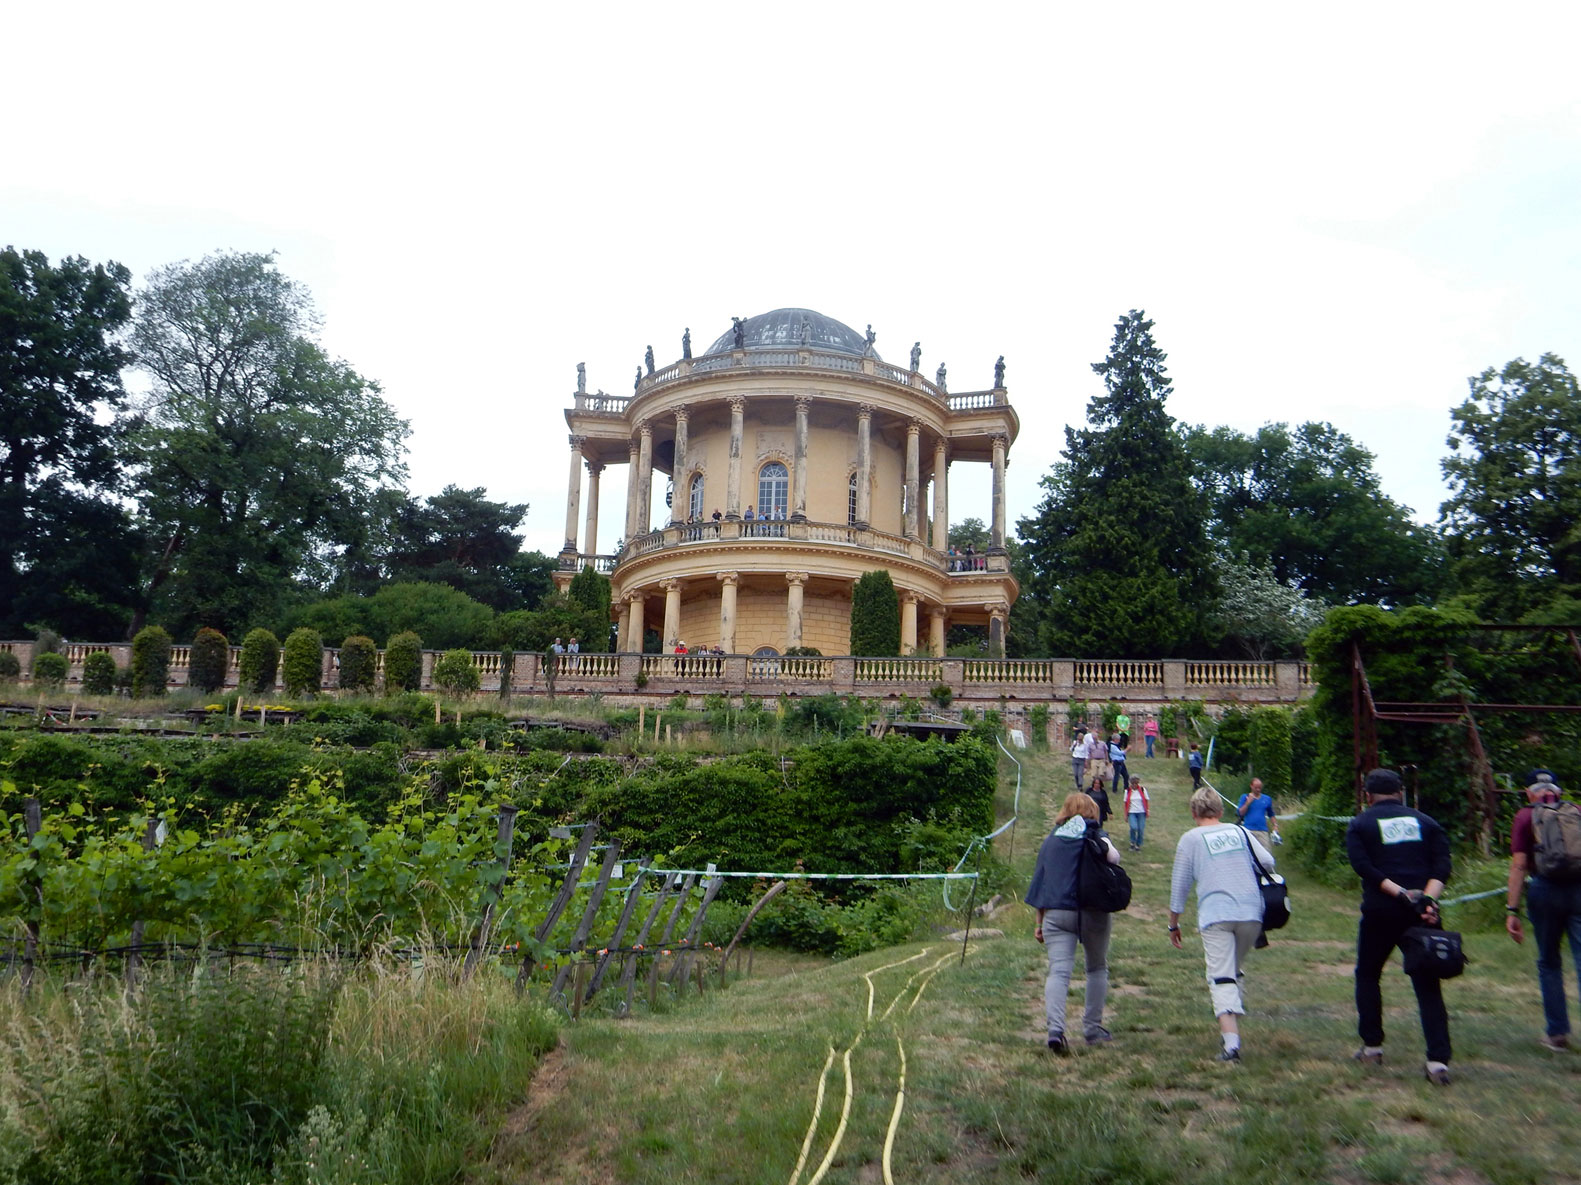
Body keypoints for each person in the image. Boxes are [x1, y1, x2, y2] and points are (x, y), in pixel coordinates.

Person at [1346, 767, 1453, 1085]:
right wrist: (1427, 901)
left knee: (1368, 975)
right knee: (1428, 985)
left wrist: (1400, 893)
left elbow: (1363, 867)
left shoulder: (1360, 823)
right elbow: (1442, 865)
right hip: (1423, 915)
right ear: (1401, 792)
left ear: (1368, 796)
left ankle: (1372, 1047)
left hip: (1381, 912)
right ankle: (1437, 1062)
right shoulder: (1426, 822)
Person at [1169, 787, 1275, 1062]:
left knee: (1221, 975)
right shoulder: (1240, 832)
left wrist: (1174, 923)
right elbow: (1267, 862)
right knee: (1234, 969)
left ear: (1194, 813)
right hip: (1252, 912)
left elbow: (1179, 884)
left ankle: (1231, 1045)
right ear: (1220, 810)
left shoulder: (1190, 839)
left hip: (1217, 913)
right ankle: (1232, 1025)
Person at [1024, 792, 1121, 1052]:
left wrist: (1038, 921)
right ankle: (1092, 1028)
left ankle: (1055, 1030)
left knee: (1058, 971)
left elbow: (1040, 881)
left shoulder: (1052, 840)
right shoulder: (1095, 834)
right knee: (1096, 968)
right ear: (1092, 812)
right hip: (1093, 911)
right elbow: (1114, 858)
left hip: (1056, 913)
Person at [1505, 773, 1581, 1050]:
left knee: (1549, 962)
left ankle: (1557, 1034)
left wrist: (1511, 909)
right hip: (1579, 889)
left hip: (1545, 890)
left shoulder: (1525, 817)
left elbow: (1519, 865)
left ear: (1529, 792)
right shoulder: (1576, 811)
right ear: (1558, 790)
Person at [1237, 779, 1281, 846]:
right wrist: (1248, 803)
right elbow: (1240, 813)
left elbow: (1271, 814)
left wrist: (1275, 825)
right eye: (1256, 788)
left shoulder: (1267, 799)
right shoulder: (1245, 797)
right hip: (1248, 830)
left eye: (1259, 788)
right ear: (1251, 786)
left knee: (1266, 852)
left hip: (1262, 830)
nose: (1258, 790)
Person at [1123, 776, 1150, 852]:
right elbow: (1125, 803)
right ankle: (1132, 842)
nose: (1134, 785)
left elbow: (1146, 801)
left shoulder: (1142, 790)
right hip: (1132, 812)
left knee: (1141, 829)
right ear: (1130, 783)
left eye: (1136, 783)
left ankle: (1138, 844)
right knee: (1133, 827)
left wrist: (1147, 810)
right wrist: (1125, 814)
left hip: (1141, 812)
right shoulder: (1127, 791)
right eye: (1133, 783)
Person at [1109, 732, 1130, 799]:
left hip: (1121, 762)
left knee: (1126, 775)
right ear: (1115, 739)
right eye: (1118, 740)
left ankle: (1126, 788)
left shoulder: (1117, 745)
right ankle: (1114, 789)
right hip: (1117, 762)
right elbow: (1120, 753)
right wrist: (1127, 749)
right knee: (1117, 776)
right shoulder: (1112, 746)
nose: (1119, 741)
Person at [1070, 726, 1088, 791]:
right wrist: (1074, 746)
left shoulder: (1085, 744)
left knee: (1080, 773)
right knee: (1075, 774)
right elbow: (1071, 749)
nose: (1079, 740)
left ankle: (1080, 785)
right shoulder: (1075, 743)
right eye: (1078, 738)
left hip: (1081, 759)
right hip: (1075, 758)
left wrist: (1086, 761)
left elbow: (1086, 753)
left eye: (1080, 739)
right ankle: (1077, 784)